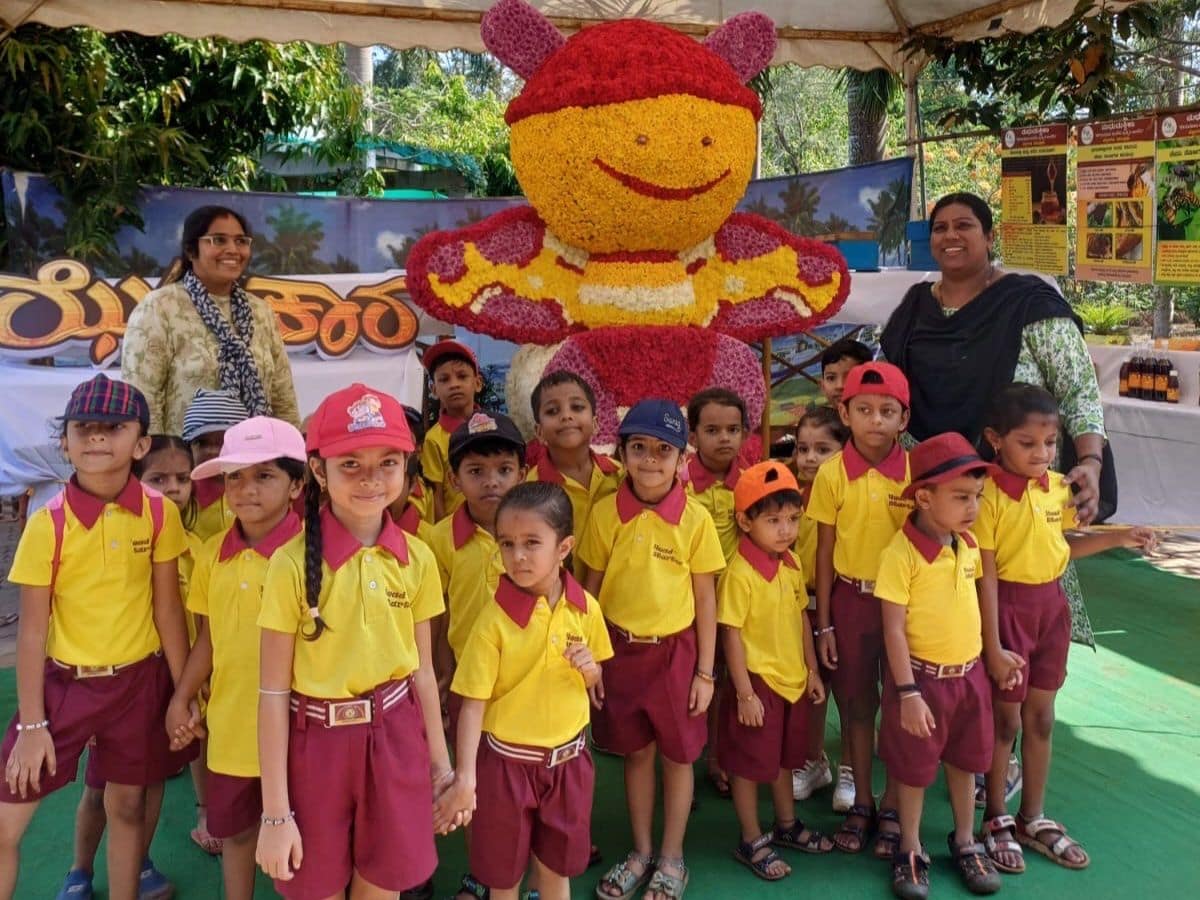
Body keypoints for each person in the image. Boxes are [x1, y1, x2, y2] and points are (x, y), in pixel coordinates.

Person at [879, 190, 1106, 651]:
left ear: (989, 235)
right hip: (934, 501)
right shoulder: (914, 308)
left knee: (1018, 640)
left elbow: (1078, 388)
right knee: (937, 634)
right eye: (940, 228)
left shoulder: (1027, 304)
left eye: (964, 225)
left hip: (1012, 501)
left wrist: (1092, 462)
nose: (950, 236)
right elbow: (886, 388)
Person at [255, 384, 456, 899]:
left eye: (388, 461)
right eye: (350, 464)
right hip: (316, 746)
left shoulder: (418, 558)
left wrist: (441, 766)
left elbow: (423, 674)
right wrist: (275, 811)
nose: (371, 478)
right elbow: (274, 693)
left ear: (407, 467)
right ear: (317, 471)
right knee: (315, 887)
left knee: (382, 886)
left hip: (395, 737)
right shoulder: (289, 564)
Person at [0, 374, 190, 900]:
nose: (98, 438)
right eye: (84, 427)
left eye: (114, 427)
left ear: (142, 443)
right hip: (62, 690)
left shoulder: (159, 513)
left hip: (139, 685)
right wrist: (33, 723)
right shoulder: (48, 523)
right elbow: (33, 632)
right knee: (6, 821)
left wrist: (181, 693)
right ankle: (78, 873)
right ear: (65, 440)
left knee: (128, 807)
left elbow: (168, 609)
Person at [974, 385, 1156, 876]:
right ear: (995, 439)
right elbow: (986, 575)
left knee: (1042, 719)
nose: (1042, 453)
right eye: (1027, 443)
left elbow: (1060, 548)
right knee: (1005, 723)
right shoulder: (986, 496)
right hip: (1006, 612)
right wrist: (992, 646)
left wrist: (1120, 538)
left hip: (1051, 611)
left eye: (1050, 442)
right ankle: (995, 818)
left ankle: (1032, 817)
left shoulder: (1055, 488)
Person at [579, 399, 725, 900]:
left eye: (663, 450)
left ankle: (672, 857)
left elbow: (706, 596)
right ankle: (640, 852)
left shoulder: (696, 519)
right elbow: (589, 592)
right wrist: (594, 658)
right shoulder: (604, 514)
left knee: (679, 757)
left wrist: (705, 673)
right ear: (621, 453)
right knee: (636, 753)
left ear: (682, 458)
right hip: (619, 653)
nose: (649, 459)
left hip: (677, 655)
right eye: (638, 447)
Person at [444, 482, 614, 900]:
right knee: (504, 880)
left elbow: (595, 684)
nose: (517, 556)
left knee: (557, 872)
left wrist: (592, 671)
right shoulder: (493, 621)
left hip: (569, 762)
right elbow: (472, 705)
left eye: (531, 543)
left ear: (564, 547)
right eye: (507, 543)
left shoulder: (586, 608)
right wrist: (466, 776)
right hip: (505, 767)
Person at [165, 417, 306, 900]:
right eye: (234, 477)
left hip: (300, 730)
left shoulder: (313, 555)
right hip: (231, 726)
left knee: (306, 841)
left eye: (264, 475)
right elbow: (209, 638)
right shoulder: (211, 555)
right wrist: (182, 697)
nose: (246, 489)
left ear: (297, 485)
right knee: (238, 834)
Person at [55, 434, 198, 900]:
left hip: (164, 681)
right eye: (160, 478)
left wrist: (183, 691)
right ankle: (79, 871)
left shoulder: (195, 542)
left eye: (183, 478)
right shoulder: (116, 534)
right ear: (137, 481)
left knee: (148, 782)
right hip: (118, 682)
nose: (174, 488)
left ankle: (137, 862)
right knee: (100, 788)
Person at [874, 432, 1003, 900]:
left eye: (978, 497)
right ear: (924, 497)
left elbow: (972, 605)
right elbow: (892, 629)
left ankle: (966, 842)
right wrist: (907, 692)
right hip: (922, 682)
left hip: (968, 677)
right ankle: (909, 847)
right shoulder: (900, 553)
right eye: (962, 497)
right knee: (913, 769)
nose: (973, 507)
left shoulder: (965, 544)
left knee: (966, 763)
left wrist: (994, 653)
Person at [805, 362, 912, 858]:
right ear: (843, 413)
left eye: (887, 411)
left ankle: (893, 807)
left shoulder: (916, 471)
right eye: (864, 410)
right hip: (849, 601)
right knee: (854, 705)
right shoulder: (830, 473)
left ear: (903, 419)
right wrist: (823, 621)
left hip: (904, 607)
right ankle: (862, 803)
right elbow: (823, 553)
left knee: (899, 703)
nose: (875, 420)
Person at [424, 411, 526, 900]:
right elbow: (437, 616)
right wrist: (443, 674)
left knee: (525, 782)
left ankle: (523, 870)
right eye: (476, 471)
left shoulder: (534, 532)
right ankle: (482, 871)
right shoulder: (438, 540)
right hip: (467, 683)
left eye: (504, 469)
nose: (492, 482)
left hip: (529, 684)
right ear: (453, 477)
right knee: (474, 778)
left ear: (523, 473)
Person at [718, 461, 832, 882]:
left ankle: (786, 825)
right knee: (748, 766)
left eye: (792, 519)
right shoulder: (739, 574)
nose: (786, 530)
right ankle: (751, 838)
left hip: (793, 682)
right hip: (758, 684)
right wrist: (745, 693)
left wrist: (813, 672)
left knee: (785, 760)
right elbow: (730, 635)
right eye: (773, 520)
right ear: (745, 521)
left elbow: (802, 616)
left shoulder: (791, 564)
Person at [122, 205, 299, 436]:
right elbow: (143, 401)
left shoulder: (260, 312)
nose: (233, 250)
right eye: (218, 240)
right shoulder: (159, 308)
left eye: (241, 241)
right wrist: (160, 463)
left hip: (256, 460)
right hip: (184, 463)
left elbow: (282, 399)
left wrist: (291, 453)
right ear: (190, 249)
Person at [682, 387, 747, 800]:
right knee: (691, 678)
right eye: (712, 429)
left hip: (738, 604)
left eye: (733, 429)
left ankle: (720, 756)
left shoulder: (752, 479)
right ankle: (684, 760)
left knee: (726, 681)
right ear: (693, 435)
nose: (724, 438)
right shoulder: (681, 480)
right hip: (688, 603)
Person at [788, 406, 850, 808]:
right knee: (809, 687)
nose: (809, 458)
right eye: (803, 448)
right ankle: (812, 760)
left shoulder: (844, 496)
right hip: (799, 606)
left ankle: (850, 767)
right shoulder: (787, 494)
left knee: (848, 687)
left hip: (841, 602)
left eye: (822, 449)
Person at [526, 371, 622, 576]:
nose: (566, 416)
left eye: (577, 407)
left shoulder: (620, 475)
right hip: (562, 602)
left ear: (596, 424)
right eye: (552, 411)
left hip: (617, 596)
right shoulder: (531, 490)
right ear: (539, 432)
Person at [420, 339, 484, 521]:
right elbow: (436, 493)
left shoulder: (492, 428)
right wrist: (443, 534)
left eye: (462, 376)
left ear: (477, 383)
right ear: (434, 389)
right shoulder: (434, 439)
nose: (454, 384)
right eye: (444, 379)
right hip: (456, 528)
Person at [182, 389, 252, 542]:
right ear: (188, 449)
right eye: (202, 443)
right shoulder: (185, 496)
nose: (213, 451)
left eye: (223, 442)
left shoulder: (256, 492)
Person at [818, 339, 873, 406]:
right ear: (822, 386)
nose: (839, 386)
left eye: (850, 377)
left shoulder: (880, 416)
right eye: (831, 378)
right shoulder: (817, 416)